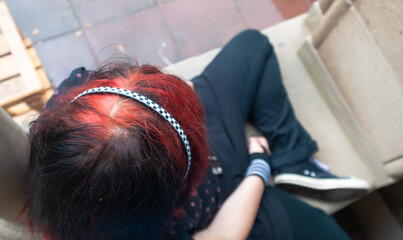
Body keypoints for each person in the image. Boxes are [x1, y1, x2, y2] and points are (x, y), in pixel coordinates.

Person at [3, 29, 369, 239]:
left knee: (252, 45)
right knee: (326, 232)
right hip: (226, 188)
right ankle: (289, 158)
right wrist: (259, 168)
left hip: (181, 148)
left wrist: (159, 114)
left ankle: (294, 158)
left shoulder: (61, 134)